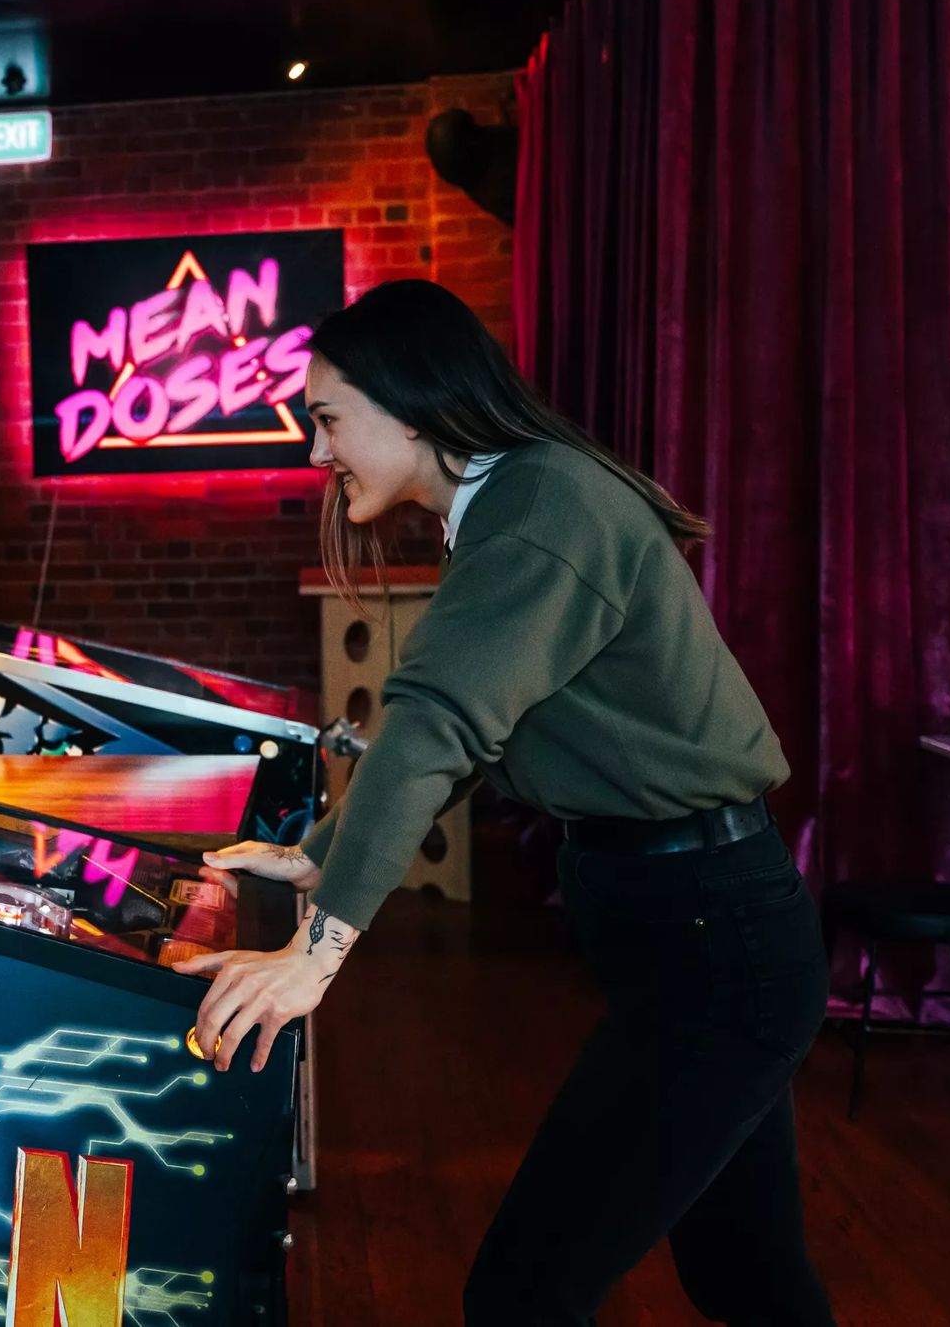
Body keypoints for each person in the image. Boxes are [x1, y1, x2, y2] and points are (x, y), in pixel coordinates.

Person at [173, 279, 834, 1326]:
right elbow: (474, 726)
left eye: (328, 419)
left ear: (411, 406)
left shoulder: (537, 510)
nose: (317, 451)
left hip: (716, 945)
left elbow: (435, 727)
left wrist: (314, 954)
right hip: (701, 931)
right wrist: (319, 854)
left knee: (525, 1295)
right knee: (749, 1279)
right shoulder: (514, 502)